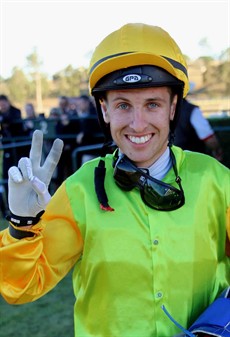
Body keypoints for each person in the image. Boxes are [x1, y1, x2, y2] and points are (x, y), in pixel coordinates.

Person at [0, 23, 229, 337]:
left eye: (152, 104)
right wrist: (22, 225)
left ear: (172, 107)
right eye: (123, 105)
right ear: (104, 110)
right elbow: (20, 288)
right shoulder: (80, 189)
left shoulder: (216, 179)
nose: (137, 124)